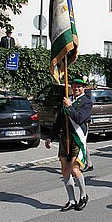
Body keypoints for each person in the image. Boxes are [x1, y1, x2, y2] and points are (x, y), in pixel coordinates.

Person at [45, 77, 92, 211]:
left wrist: (69, 106)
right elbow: (59, 121)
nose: (76, 88)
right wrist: (50, 137)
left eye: (79, 86)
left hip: (77, 138)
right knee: (65, 170)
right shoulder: (67, 99)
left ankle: (83, 195)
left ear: (84, 88)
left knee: (74, 168)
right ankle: (71, 199)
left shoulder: (87, 102)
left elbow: (79, 118)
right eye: (74, 86)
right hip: (65, 138)